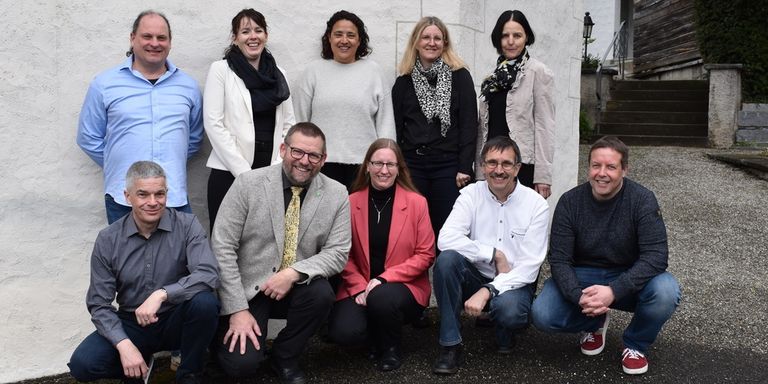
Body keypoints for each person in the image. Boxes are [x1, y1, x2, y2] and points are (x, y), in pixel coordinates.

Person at [211, 122, 351, 384]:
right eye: (297, 152)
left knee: (322, 294)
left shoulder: (337, 193)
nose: (304, 161)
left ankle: (284, 356)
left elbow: (338, 252)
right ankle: (226, 340)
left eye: (314, 156)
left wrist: (294, 273)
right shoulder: (248, 184)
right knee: (241, 366)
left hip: (296, 284)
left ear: (323, 159)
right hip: (249, 287)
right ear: (283, 149)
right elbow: (222, 246)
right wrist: (237, 309)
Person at [531, 136, 681, 375]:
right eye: (596, 165)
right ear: (588, 167)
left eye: (611, 167)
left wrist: (613, 291)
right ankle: (595, 322)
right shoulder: (570, 202)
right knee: (543, 314)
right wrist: (579, 297)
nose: (602, 173)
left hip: (626, 274)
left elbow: (656, 256)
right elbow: (559, 259)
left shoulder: (642, 200)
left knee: (666, 291)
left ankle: (635, 343)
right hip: (583, 276)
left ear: (624, 170)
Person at [68, 161, 220, 384]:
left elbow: (208, 273)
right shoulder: (108, 239)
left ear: (167, 194)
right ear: (127, 196)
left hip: (175, 318)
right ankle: (137, 367)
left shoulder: (187, 225)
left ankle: (190, 374)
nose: (153, 202)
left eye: (159, 194)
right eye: (143, 195)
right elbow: (99, 304)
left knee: (205, 303)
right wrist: (124, 345)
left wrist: (162, 294)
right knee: (83, 364)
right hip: (132, 322)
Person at [431, 136, 550, 375]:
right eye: (492, 162)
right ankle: (450, 345)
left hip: (514, 282)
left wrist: (488, 290)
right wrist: (492, 253)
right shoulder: (470, 195)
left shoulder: (536, 205)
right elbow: (445, 239)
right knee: (446, 261)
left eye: (506, 164)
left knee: (511, 313)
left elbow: (529, 268)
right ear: (482, 166)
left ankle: (505, 326)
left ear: (517, 168)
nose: (499, 170)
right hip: (474, 275)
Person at [77, 10, 204, 224]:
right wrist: (122, 165)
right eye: (147, 36)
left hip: (173, 198)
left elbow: (194, 139)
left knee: (180, 258)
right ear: (132, 38)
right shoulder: (105, 84)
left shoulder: (188, 87)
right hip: (124, 199)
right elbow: (88, 137)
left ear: (169, 42)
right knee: (126, 258)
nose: (154, 43)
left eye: (161, 37)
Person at [328, 139, 435, 372]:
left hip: (403, 286)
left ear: (399, 169)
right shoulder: (350, 202)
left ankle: (391, 348)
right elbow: (342, 254)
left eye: (390, 164)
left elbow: (426, 254)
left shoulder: (417, 203)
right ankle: (373, 332)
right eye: (377, 163)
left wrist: (384, 279)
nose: (383, 170)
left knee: (382, 298)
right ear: (367, 166)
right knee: (344, 333)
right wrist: (358, 287)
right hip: (360, 283)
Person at [203, 8, 295, 229]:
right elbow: (213, 123)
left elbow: (289, 125)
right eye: (245, 31)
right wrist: (244, 173)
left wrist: (277, 167)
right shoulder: (221, 70)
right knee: (226, 242)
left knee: (264, 243)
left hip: (271, 174)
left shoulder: (278, 73)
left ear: (266, 35)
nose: (253, 36)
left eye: (258, 30)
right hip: (229, 173)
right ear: (235, 38)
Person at [392, 16, 477, 239]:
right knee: (413, 231)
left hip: (448, 167)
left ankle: (442, 274)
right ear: (416, 42)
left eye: (438, 38)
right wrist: (399, 168)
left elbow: (469, 124)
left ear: (445, 43)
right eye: (426, 37)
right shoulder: (404, 82)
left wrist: (465, 166)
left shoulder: (460, 77)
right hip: (413, 166)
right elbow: (397, 129)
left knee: (446, 231)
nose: (432, 43)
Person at [293, 10, 396, 190]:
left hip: (364, 165)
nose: (344, 40)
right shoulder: (313, 71)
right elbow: (299, 120)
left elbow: (386, 124)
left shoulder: (374, 72)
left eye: (351, 35)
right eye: (338, 34)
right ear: (329, 38)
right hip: (320, 163)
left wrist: (384, 162)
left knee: (360, 218)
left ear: (359, 40)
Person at [476, 10, 555, 199]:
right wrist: (480, 173)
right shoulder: (493, 78)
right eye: (505, 35)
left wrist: (543, 176)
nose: (511, 41)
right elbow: (483, 129)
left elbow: (545, 126)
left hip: (523, 167)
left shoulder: (539, 72)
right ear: (498, 39)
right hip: (493, 166)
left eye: (517, 35)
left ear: (526, 37)